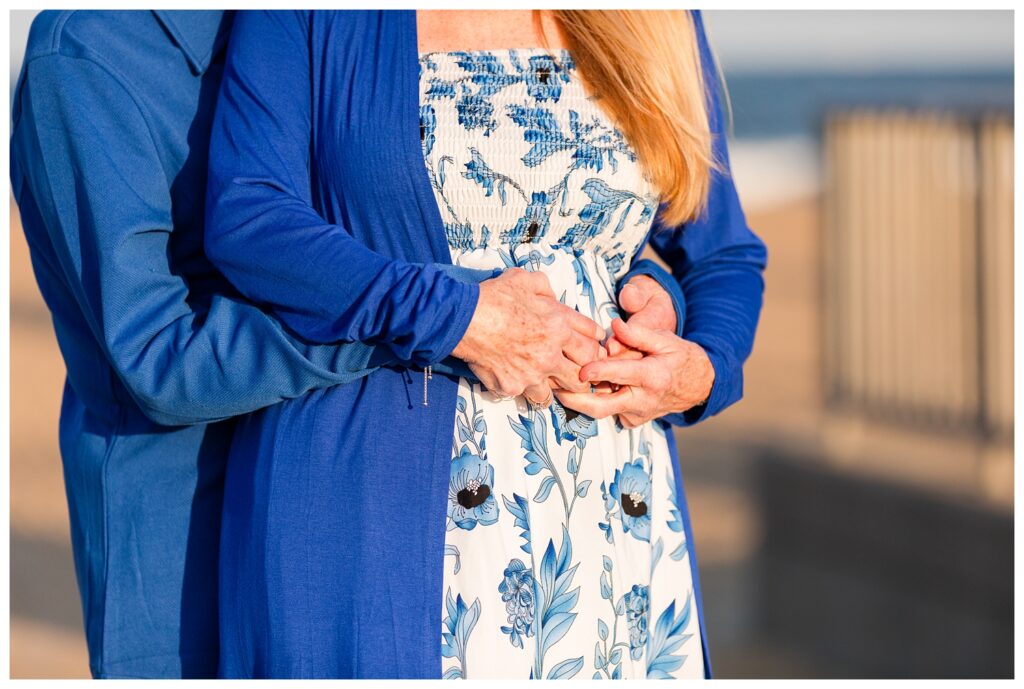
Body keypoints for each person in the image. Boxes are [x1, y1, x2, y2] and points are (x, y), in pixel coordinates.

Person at [9, 9, 685, 679]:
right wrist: (434, 321)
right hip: (178, 559)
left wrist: (640, 276)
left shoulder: (296, 22)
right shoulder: (87, 51)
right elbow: (159, 359)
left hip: (365, 506)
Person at [204, 9, 767, 680]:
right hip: (377, 506)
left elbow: (723, 255)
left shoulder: (657, 17)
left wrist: (698, 370)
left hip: (620, 529)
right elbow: (249, 214)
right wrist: (458, 316)